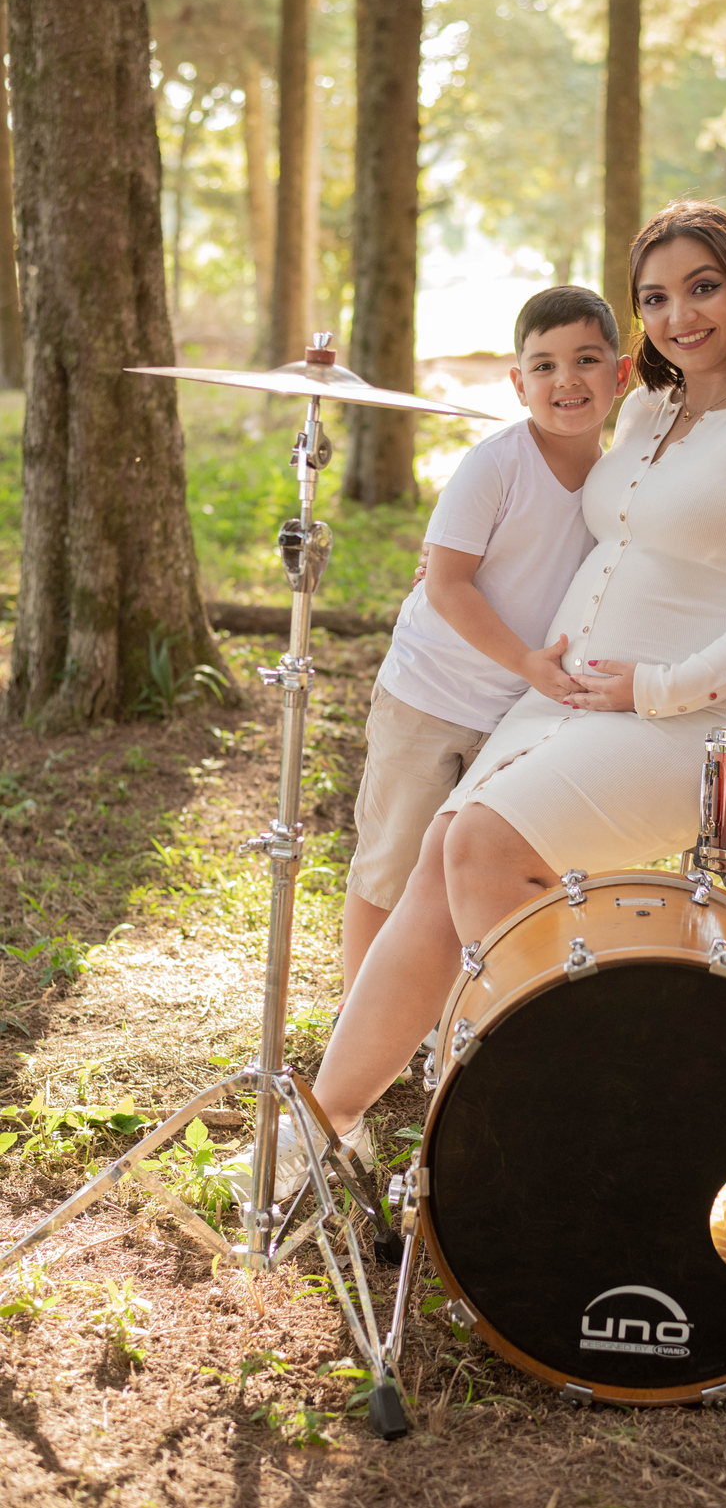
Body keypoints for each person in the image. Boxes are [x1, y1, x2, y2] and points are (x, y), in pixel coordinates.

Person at [244, 199, 726, 1196]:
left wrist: (658, 686)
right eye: (656, 297)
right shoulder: (649, 411)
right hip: (572, 702)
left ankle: (592, 1109)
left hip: (703, 718)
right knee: (444, 854)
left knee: (482, 843)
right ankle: (319, 1128)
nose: (681, 314)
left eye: (702, 287)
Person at [219, 284, 630, 1199]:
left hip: (521, 710)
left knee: (454, 873)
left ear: (623, 371)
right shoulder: (496, 464)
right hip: (432, 691)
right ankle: (358, 1060)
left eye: (586, 360)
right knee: (390, 865)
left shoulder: (618, 477)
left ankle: (437, 1032)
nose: (567, 381)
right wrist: (524, 659)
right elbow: (447, 585)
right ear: (517, 382)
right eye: (545, 366)